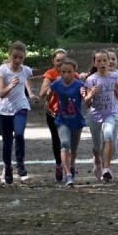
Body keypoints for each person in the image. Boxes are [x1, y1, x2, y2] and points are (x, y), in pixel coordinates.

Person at [0, 41, 37, 184]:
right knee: (7, 142)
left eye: (21, 58)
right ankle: (7, 168)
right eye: (15, 57)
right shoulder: (2, 70)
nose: (18, 60)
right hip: (5, 109)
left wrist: (30, 93)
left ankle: (20, 165)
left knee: (19, 134)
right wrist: (10, 86)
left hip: (21, 106)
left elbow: (27, 82)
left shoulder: (26, 70)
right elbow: (1, 93)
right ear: (9, 56)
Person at [84, 50, 118, 182]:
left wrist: (115, 88)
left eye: (104, 60)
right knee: (97, 146)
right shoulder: (91, 79)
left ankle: (106, 168)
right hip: (95, 116)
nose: (102, 63)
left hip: (111, 114)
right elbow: (86, 103)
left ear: (108, 62)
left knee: (108, 136)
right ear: (94, 63)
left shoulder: (114, 77)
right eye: (99, 61)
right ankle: (97, 160)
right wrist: (90, 95)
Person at [46, 58, 87, 187]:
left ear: (74, 71)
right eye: (63, 72)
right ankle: (68, 173)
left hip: (76, 121)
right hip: (62, 120)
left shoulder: (79, 85)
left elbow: (86, 99)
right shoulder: (57, 84)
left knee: (73, 149)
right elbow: (49, 93)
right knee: (64, 144)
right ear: (59, 72)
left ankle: (72, 165)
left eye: (69, 72)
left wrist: (87, 95)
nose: (66, 75)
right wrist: (47, 106)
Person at [38, 48, 67, 182]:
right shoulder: (50, 74)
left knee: (68, 141)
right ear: (53, 61)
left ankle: (69, 166)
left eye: (63, 60)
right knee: (57, 140)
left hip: (69, 113)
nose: (61, 63)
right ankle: (59, 165)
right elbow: (42, 93)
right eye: (58, 61)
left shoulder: (71, 73)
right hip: (53, 112)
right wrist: (55, 83)